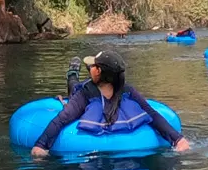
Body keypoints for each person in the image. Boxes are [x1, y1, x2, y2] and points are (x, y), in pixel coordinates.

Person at [32, 51, 190, 157]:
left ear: (98, 71)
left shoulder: (127, 91)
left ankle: (75, 74)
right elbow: (62, 119)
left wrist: (177, 139)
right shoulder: (85, 93)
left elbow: (152, 114)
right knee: (74, 85)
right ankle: (72, 72)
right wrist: (41, 145)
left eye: (92, 66)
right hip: (81, 89)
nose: (90, 67)